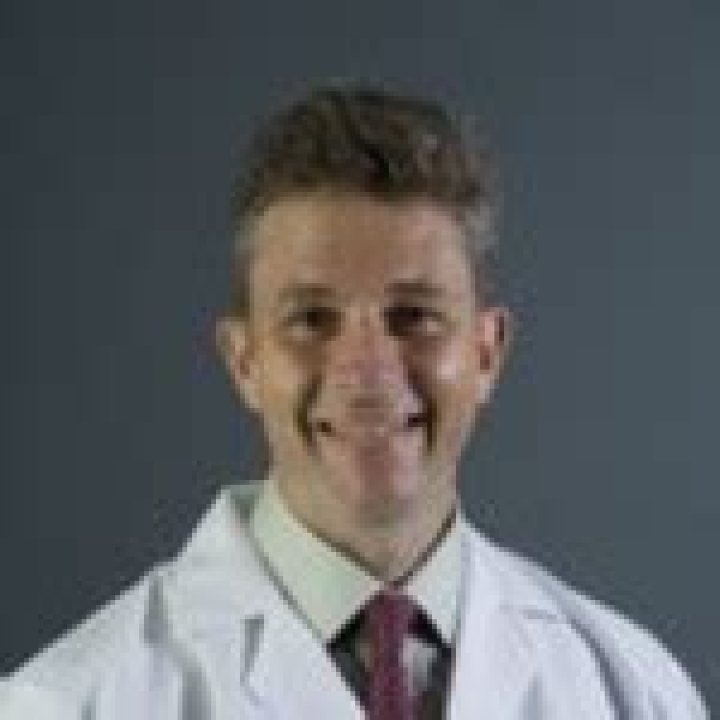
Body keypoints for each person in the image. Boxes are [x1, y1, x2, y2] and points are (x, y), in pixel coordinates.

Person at [0, 84, 708, 719]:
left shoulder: (635, 691)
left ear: (487, 353)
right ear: (244, 361)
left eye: (414, 316)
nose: (367, 372)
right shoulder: (69, 703)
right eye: (312, 319)